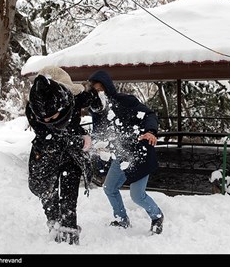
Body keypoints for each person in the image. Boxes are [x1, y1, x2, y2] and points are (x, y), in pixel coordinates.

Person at [26, 66, 102, 245]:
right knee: (48, 193)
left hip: (71, 157)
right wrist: (80, 141)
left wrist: (97, 100)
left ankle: (69, 233)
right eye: (45, 119)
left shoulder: (74, 97)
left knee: (69, 196)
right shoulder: (34, 107)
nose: (49, 121)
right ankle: (54, 225)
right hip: (46, 153)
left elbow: (91, 97)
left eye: (54, 116)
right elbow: (49, 138)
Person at [88, 70, 164, 234]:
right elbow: (100, 134)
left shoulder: (125, 101)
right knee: (109, 187)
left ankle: (157, 217)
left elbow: (149, 115)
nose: (99, 93)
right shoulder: (97, 111)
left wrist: (151, 131)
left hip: (139, 154)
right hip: (120, 155)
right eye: (95, 90)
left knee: (137, 195)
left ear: (108, 87)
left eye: (101, 88)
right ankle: (121, 219)